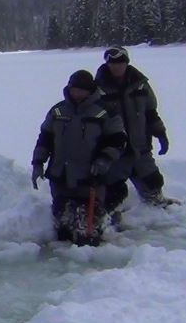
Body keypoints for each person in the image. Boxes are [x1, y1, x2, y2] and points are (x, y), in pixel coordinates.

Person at [31, 70, 128, 242]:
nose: (77, 93)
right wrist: (38, 162)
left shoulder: (104, 112)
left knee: (87, 232)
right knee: (62, 228)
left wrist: (104, 160)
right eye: (74, 89)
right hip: (61, 175)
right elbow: (45, 138)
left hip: (90, 178)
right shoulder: (58, 111)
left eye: (81, 90)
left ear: (90, 90)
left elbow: (117, 140)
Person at [95, 45, 173, 210]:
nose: (117, 66)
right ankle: (112, 216)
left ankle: (157, 206)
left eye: (121, 62)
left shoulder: (140, 85)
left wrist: (160, 133)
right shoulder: (98, 89)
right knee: (112, 190)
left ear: (127, 63)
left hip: (140, 146)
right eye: (113, 63)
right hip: (115, 151)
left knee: (153, 180)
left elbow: (151, 112)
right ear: (108, 64)